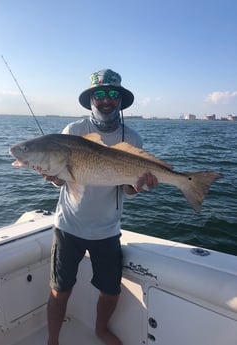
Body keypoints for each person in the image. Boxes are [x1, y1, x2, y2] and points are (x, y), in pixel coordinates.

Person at [45, 69, 158, 345]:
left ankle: (100, 329)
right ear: (91, 99)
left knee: (111, 292)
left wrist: (141, 185)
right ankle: (52, 340)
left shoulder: (131, 139)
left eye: (112, 94)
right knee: (60, 290)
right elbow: (61, 182)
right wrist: (52, 175)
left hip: (107, 229)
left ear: (119, 99)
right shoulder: (73, 131)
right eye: (100, 94)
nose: (106, 100)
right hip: (69, 226)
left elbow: (129, 189)